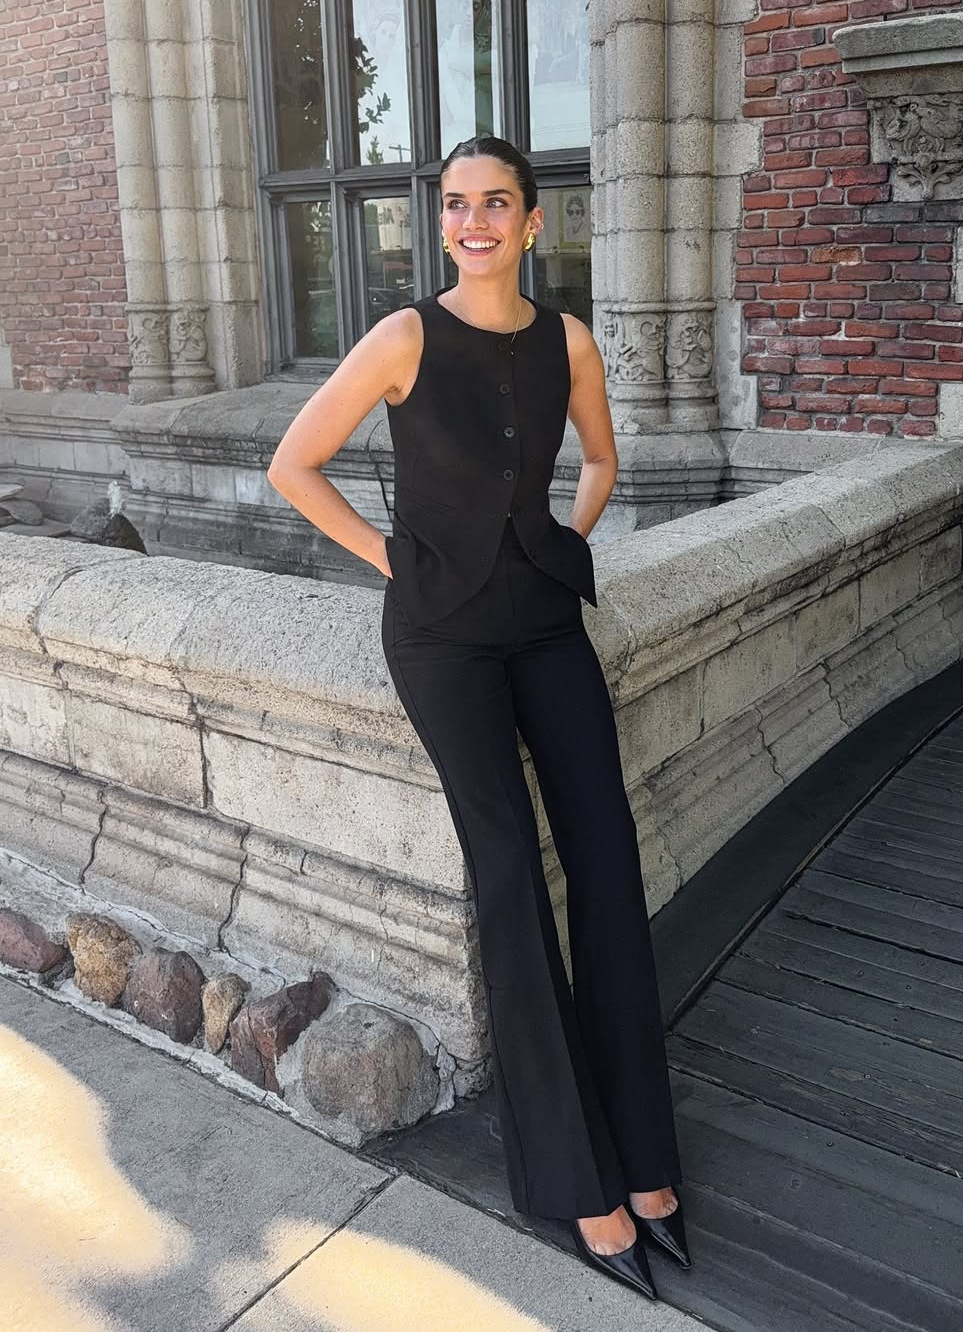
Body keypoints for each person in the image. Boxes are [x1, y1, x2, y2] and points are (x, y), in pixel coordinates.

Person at [267, 134, 690, 1300]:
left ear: (532, 222)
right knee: (507, 868)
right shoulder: (404, 337)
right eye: (456, 204)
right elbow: (295, 464)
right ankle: (572, 1174)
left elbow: (600, 462)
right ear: (443, 221)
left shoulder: (570, 341)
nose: (474, 222)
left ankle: (643, 1148)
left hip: (544, 621)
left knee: (605, 852)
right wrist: (391, 563)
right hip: (441, 638)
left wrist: (563, 542)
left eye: (496, 203)